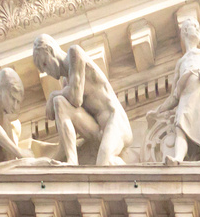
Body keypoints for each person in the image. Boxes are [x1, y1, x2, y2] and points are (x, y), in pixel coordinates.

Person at [32, 34, 133, 166]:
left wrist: (52, 96)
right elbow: (65, 141)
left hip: (115, 123)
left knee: (104, 163)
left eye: (45, 64)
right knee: (60, 103)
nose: (47, 71)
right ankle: (72, 161)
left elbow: (76, 97)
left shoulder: (74, 53)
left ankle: (137, 178)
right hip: (97, 132)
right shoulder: (65, 84)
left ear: (50, 50)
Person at [146, 16, 200, 164]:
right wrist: (159, 110)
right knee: (181, 129)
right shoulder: (180, 62)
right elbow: (173, 97)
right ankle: (178, 158)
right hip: (186, 99)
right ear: (184, 31)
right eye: (194, 26)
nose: (197, 30)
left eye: (198, 28)